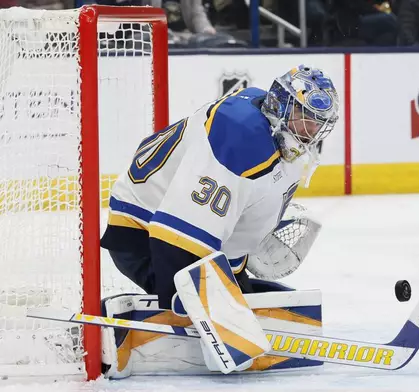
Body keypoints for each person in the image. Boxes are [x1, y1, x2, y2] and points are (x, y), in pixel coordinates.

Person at [100, 65, 340, 373]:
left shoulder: (276, 134)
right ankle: (123, 331)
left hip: (186, 228)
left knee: (238, 297)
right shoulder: (240, 137)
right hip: (142, 231)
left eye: (317, 123)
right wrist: (193, 308)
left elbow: (230, 215)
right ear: (281, 104)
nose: (310, 131)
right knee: (188, 300)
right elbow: (175, 234)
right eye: (304, 118)